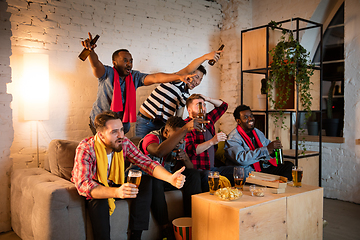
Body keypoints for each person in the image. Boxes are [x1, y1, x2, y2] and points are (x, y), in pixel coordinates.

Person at [71, 111, 186, 240]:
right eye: (114, 132)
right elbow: (83, 184)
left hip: (115, 183)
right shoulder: (86, 148)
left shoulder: (123, 142)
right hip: (97, 190)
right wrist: (116, 192)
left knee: (146, 181)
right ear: (101, 135)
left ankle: (136, 236)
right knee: (99, 200)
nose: (121, 135)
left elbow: (146, 163)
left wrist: (170, 178)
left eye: (121, 129)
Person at [81, 32, 194, 134]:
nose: (129, 64)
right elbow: (96, 64)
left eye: (131, 61)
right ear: (114, 63)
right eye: (125, 60)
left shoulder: (134, 76)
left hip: (120, 125)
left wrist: (178, 76)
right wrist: (90, 51)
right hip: (100, 123)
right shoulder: (107, 73)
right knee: (103, 152)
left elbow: (155, 77)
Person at [138, 116, 203, 240]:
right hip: (148, 180)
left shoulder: (180, 141)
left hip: (168, 178)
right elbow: (159, 151)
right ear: (166, 132)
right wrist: (184, 129)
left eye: (183, 137)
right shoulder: (151, 138)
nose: (180, 141)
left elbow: (190, 168)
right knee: (156, 180)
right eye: (178, 136)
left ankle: (191, 220)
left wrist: (185, 158)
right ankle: (165, 228)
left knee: (194, 175)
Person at [136, 50, 222, 138]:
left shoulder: (186, 96)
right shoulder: (177, 80)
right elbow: (189, 68)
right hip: (146, 121)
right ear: (189, 74)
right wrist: (205, 57)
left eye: (200, 79)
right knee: (140, 149)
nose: (197, 82)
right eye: (196, 77)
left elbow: (178, 117)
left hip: (161, 126)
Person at [223, 104, 293, 180]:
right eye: (246, 117)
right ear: (238, 121)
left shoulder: (257, 132)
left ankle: (283, 189)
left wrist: (273, 150)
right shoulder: (233, 138)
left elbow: (267, 146)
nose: (250, 119)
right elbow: (242, 159)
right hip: (249, 171)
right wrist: (267, 149)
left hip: (263, 166)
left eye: (251, 116)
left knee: (289, 166)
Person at [184, 94, 234, 192]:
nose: (202, 108)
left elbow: (224, 106)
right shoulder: (186, 126)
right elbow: (191, 150)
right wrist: (212, 141)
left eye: (204, 105)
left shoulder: (208, 120)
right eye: (198, 105)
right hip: (199, 171)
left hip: (212, 169)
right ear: (189, 110)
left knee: (237, 171)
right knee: (208, 176)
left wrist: (207, 98)